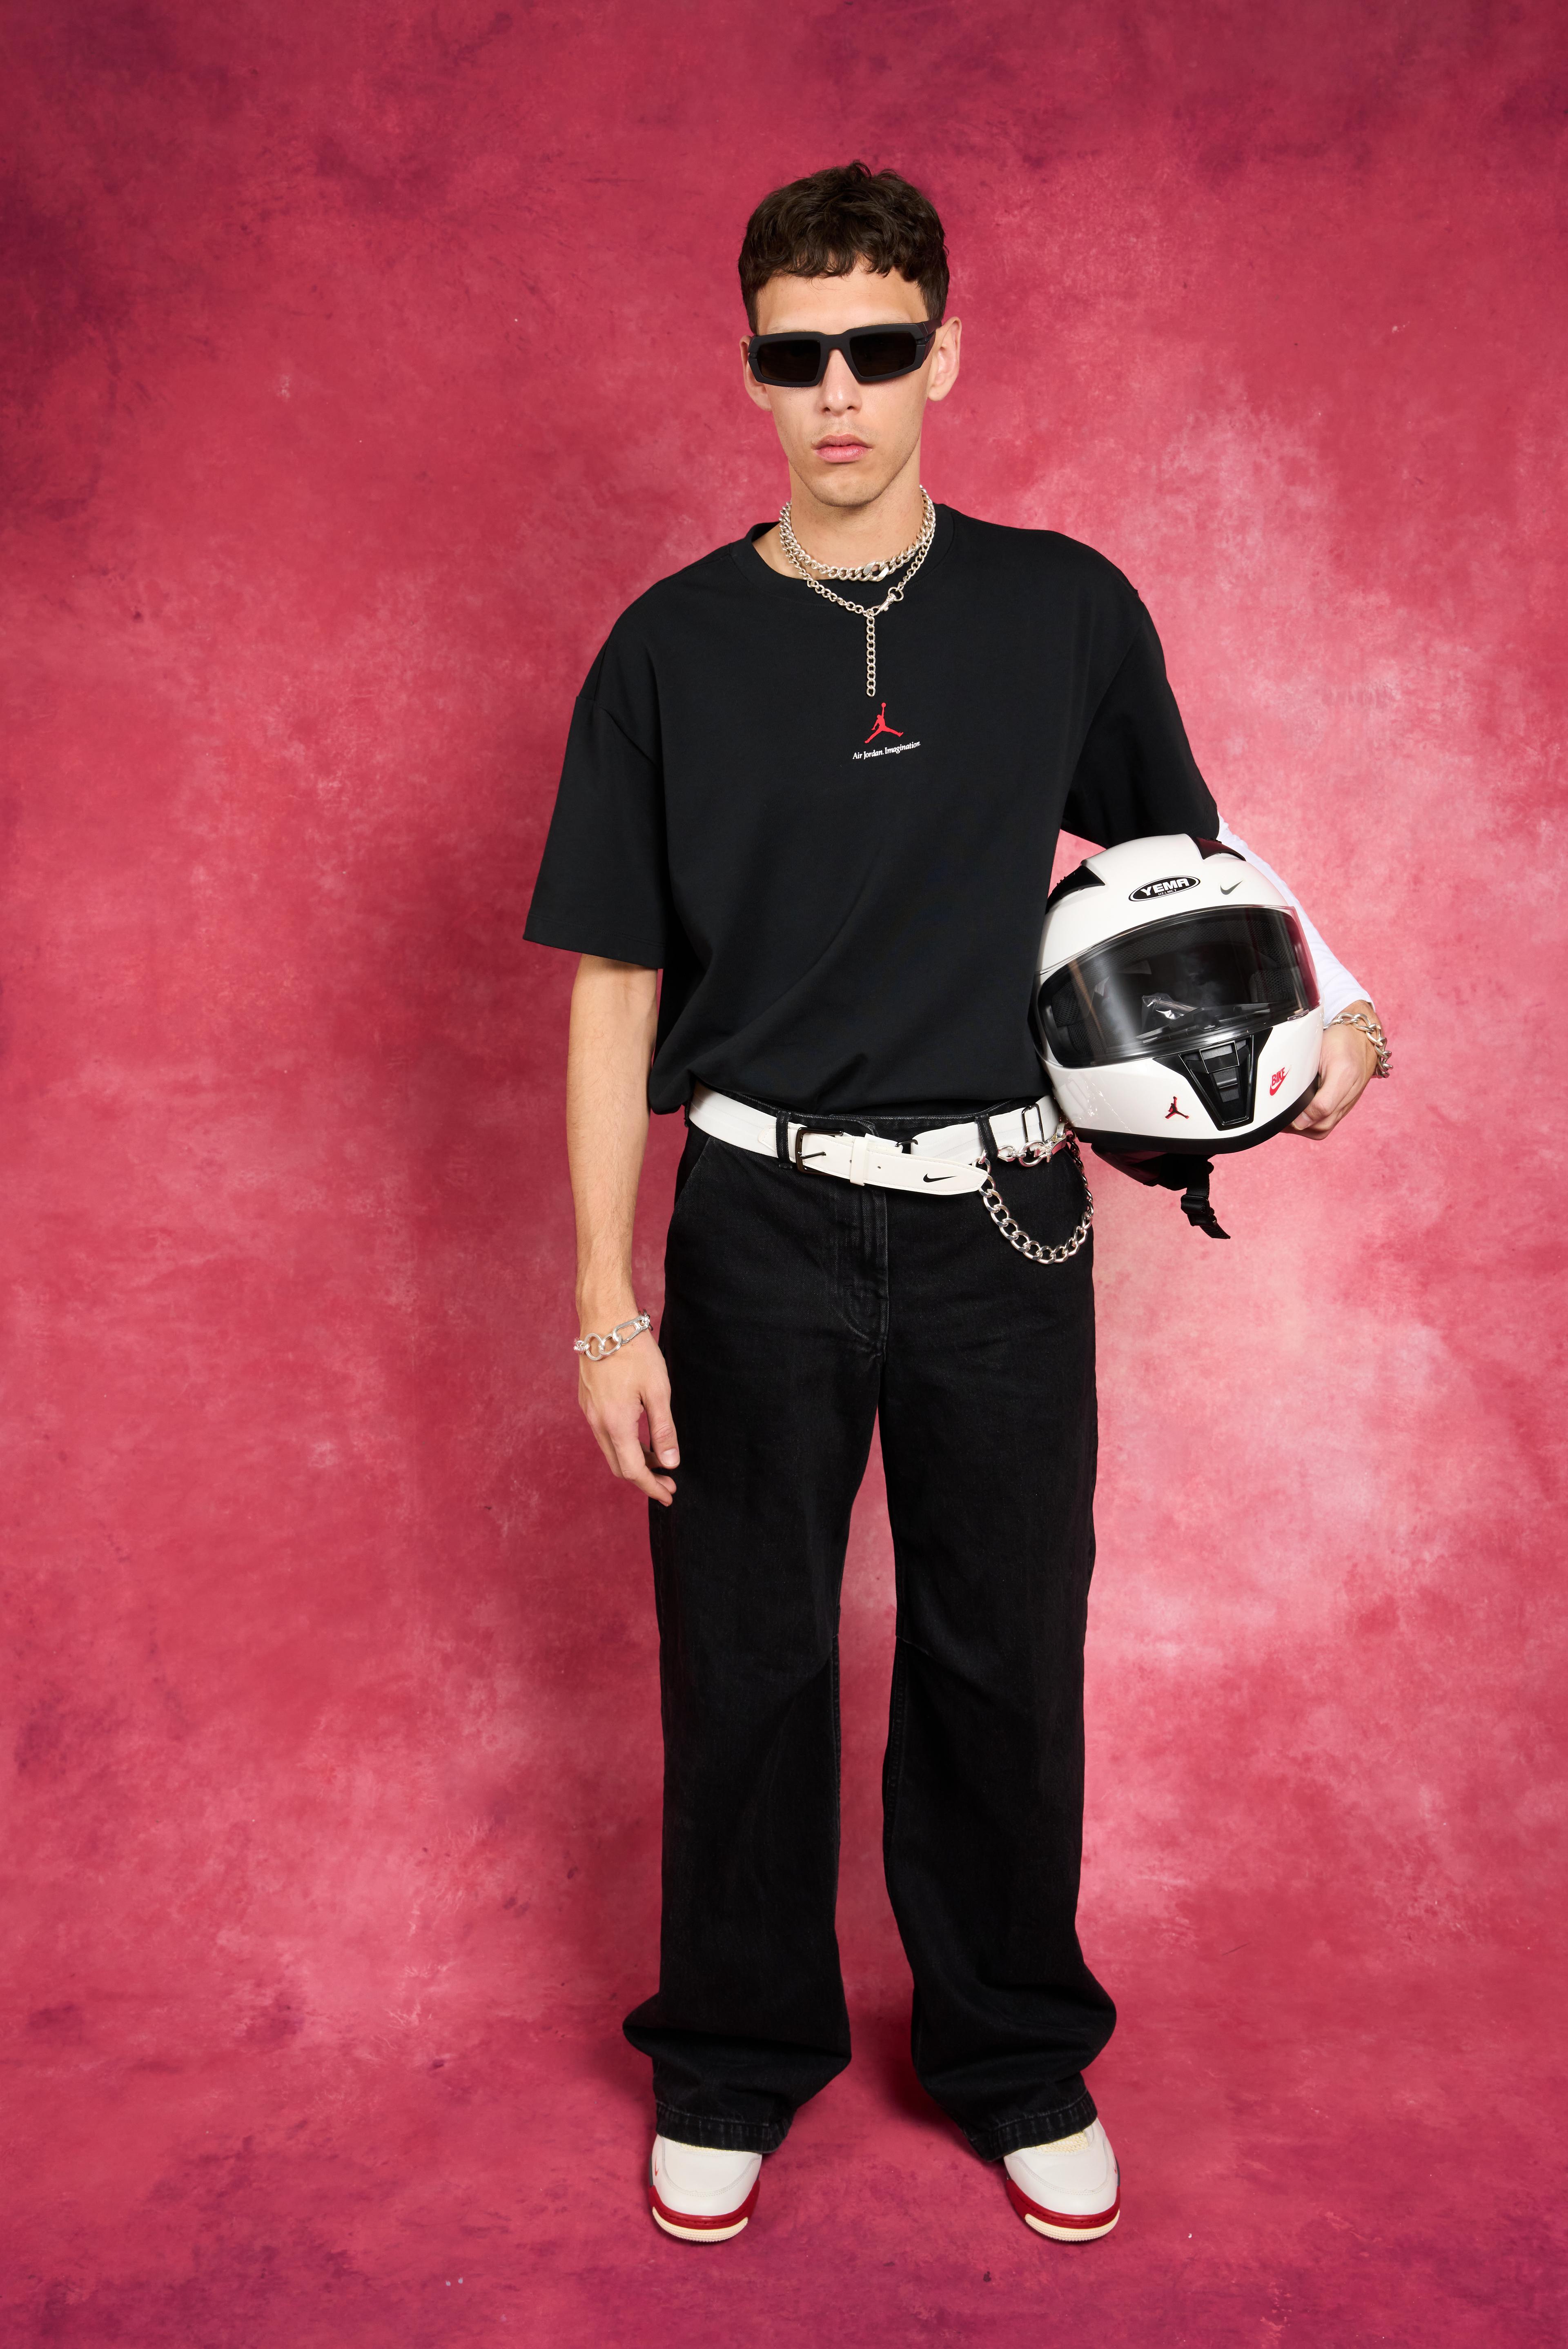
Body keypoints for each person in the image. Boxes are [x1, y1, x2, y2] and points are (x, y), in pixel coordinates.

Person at [523, 161, 1386, 2245]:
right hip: (755, 1220)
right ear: (752, 371)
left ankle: (1013, 2053)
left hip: (1005, 1220)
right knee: (747, 1657)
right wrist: (604, 1302)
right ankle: (733, 2055)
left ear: (945, 357)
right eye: (797, 354)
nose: (838, 391)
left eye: (877, 348)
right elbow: (616, 990)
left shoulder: (1062, 609)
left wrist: (1338, 1021)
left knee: (1005, 1649)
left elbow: (1195, 866)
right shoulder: (669, 648)